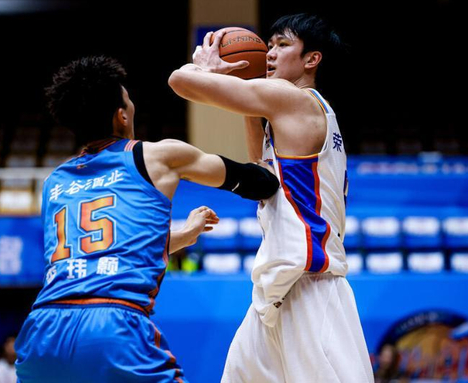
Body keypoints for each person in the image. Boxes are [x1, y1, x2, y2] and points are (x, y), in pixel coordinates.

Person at [14, 56, 279, 382]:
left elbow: (101, 251)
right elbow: (262, 183)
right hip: (112, 323)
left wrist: (184, 235)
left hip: (42, 330)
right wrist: (249, 98)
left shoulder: (54, 182)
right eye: (128, 100)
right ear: (122, 115)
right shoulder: (157, 156)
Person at [169, 13, 374, 382]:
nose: (270, 53)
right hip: (277, 290)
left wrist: (205, 67)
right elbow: (263, 175)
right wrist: (248, 106)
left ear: (312, 59)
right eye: (269, 44)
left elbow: (179, 81)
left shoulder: (293, 99)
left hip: (311, 287)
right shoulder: (298, 112)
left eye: (283, 44)